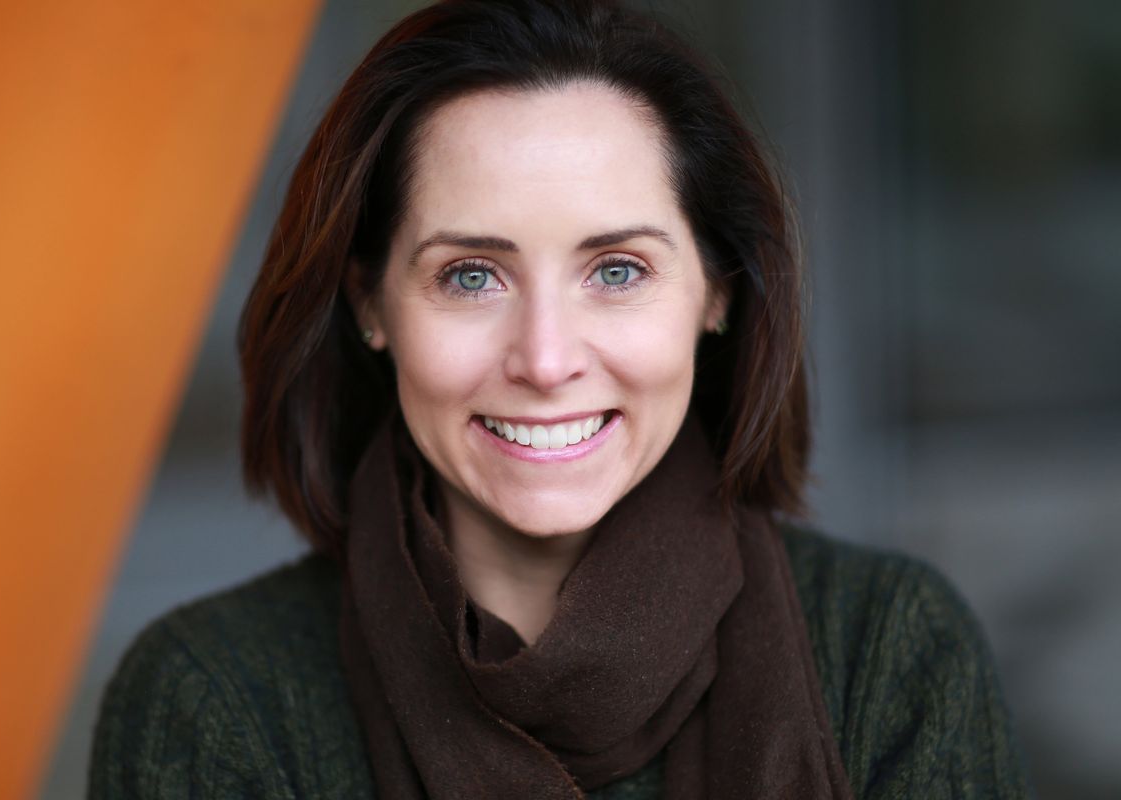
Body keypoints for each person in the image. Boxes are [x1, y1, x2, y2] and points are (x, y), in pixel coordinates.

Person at [89, 1, 1031, 797]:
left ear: (717, 291)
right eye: (469, 276)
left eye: (616, 269)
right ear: (370, 303)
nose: (545, 359)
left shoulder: (891, 654)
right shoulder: (210, 698)